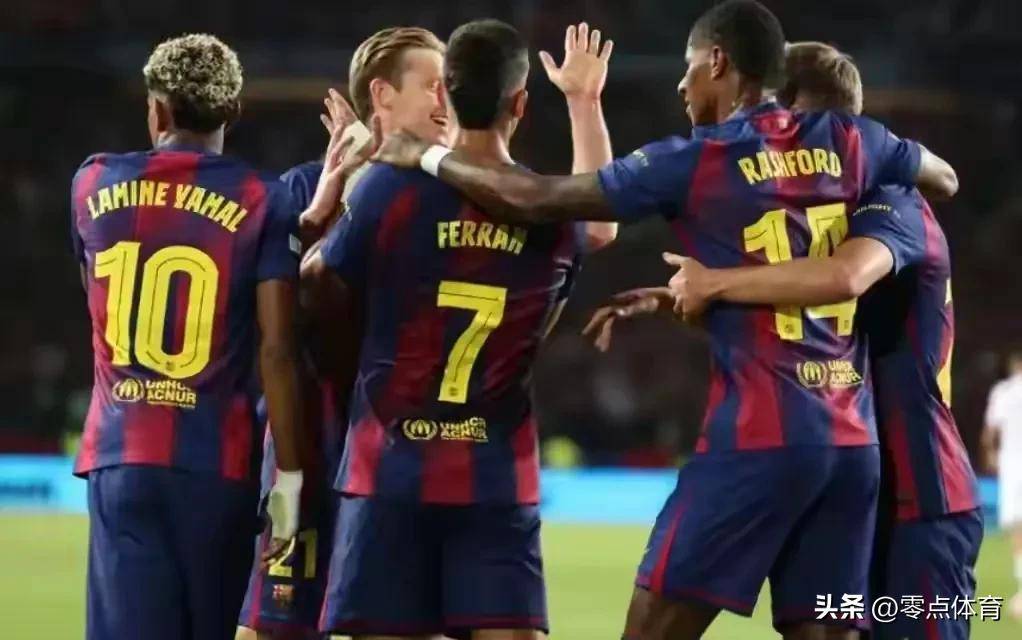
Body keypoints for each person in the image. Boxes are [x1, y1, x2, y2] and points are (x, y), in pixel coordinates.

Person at [373, 2, 958, 637]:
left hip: (758, 439)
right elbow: (943, 177)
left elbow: (536, 198)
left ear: (718, 62)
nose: (681, 85)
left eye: (689, 67)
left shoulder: (695, 159)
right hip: (850, 446)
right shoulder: (852, 139)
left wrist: (423, 156)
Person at [305, 18, 614, 639]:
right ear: (520, 104)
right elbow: (600, 222)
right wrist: (584, 101)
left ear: (445, 94)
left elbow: (318, 280)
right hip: (495, 476)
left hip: (387, 469)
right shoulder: (552, 212)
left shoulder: (387, 191)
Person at [660, 41, 981, 640]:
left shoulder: (891, 197)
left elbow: (844, 277)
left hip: (920, 497)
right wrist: (695, 300)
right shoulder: (825, 216)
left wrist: (716, 283)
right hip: (858, 489)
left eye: (775, 113)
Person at [70, 33, 303, 640]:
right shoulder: (263, 197)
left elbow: (96, 300)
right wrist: (291, 475)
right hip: (218, 462)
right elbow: (277, 348)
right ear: (234, 112)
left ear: (157, 110)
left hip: (121, 453)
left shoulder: (92, 182)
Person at [237, 26, 449, 640]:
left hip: (403, 453)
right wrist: (329, 209)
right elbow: (267, 324)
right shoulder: (303, 188)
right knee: (273, 621)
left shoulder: (455, 196)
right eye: (433, 85)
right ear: (382, 95)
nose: (447, 100)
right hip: (306, 448)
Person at [982, 349, 1022, 619]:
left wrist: (990, 457)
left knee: (1016, 527)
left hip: (1013, 465)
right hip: (1012, 463)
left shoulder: (1003, 392)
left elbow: (990, 433)